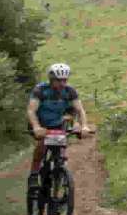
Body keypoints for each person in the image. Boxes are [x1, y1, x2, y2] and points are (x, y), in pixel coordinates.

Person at [27, 62, 92, 195]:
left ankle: (58, 184)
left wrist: (84, 126)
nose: (62, 83)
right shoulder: (40, 90)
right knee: (41, 146)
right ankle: (34, 175)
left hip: (57, 124)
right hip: (40, 124)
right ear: (51, 79)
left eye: (64, 80)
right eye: (58, 80)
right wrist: (36, 127)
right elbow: (31, 110)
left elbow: (79, 110)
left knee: (60, 153)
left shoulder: (69, 91)